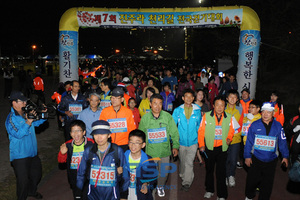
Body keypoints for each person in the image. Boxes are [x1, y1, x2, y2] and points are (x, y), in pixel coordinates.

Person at [5, 91, 47, 200]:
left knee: (36, 175)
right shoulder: (10, 119)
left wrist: (43, 114)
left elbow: (37, 123)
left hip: (32, 153)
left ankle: (32, 192)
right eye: (22, 101)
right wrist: (28, 121)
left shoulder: (25, 113)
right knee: (23, 181)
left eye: (25, 101)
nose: (25, 103)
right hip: (20, 155)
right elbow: (18, 134)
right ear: (14, 103)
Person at [244, 102, 289, 200]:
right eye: (263, 112)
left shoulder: (278, 126)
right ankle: (249, 195)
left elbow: (282, 142)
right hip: (256, 158)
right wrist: (247, 156)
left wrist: (285, 156)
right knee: (252, 181)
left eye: (268, 112)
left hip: (271, 160)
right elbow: (249, 142)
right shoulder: (254, 125)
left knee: (267, 183)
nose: (265, 114)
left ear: (273, 113)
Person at [139, 94, 180, 197]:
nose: (157, 106)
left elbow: (174, 133)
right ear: (150, 104)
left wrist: (175, 146)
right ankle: (151, 189)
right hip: (150, 153)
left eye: (160, 103)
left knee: (164, 173)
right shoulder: (145, 118)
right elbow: (140, 134)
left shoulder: (167, 117)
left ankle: (160, 186)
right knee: (152, 173)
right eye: (155, 103)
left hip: (165, 152)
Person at [77, 120, 129, 200]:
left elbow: (125, 176)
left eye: (102, 134)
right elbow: (81, 174)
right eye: (96, 134)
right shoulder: (88, 151)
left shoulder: (117, 151)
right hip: (93, 196)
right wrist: (79, 194)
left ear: (109, 135)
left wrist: (123, 195)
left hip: (112, 196)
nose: (99, 138)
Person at [198, 96, 235, 200]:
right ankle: (209, 190)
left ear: (225, 106)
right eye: (217, 105)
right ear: (213, 106)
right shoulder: (206, 116)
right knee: (209, 170)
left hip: (222, 149)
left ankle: (222, 195)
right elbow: (201, 131)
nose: (219, 107)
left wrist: (229, 138)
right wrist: (201, 144)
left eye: (222, 105)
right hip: (209, 148)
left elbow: (232, 130)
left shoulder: (229, 117)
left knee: (221, 172)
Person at [172, 89, 202, 192]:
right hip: (181, 142)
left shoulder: (198, 110)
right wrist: (174, 141)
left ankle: (186, 183)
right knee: (183, 161)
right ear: (183, 98)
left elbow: (200, 126)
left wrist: (199, 140)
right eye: (186, 96)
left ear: (193, 98)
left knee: (189, 162)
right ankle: (183, 174)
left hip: (193, 142)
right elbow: (173, 127)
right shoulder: (177, 111)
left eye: (191, 96)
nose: (188, 98)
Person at [57, 120, 94, 199]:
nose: (76, 134)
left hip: (89, 178)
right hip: (74, 177)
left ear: (84, 132)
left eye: (78, 131)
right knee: (78, 196)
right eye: (73, 131)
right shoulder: (67, 145)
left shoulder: (91, 144)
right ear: (70, 133)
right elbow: (61, 161)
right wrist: (62, 153)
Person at [99, 87, 136, 152]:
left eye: (116, 98)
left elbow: (132, 129)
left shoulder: (128, 112)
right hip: (109, 144)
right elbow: (101, 128)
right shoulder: (105, 111)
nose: (114, 100)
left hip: (124, 144)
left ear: (122, 99)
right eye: (112, 98)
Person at [124, 130, 157, 200]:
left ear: (143, 145)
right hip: (126, 192)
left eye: (137, 143)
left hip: (141, 194)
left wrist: (146, 183)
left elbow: (153, 177)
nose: (133, 145)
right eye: (131, 142)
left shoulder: (148, 161)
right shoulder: (123, 157)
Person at [224, 90, 242, 188]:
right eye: (230, 97)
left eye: (234, 97)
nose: (232, 99)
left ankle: (231, 175)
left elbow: (243, 122)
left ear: (237, 99)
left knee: (233, 159)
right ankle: (226, 176)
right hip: (224, 139)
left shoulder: (240, 109)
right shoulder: (222, 108)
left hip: (236, 139)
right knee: (225, 159)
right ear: (227, 98)